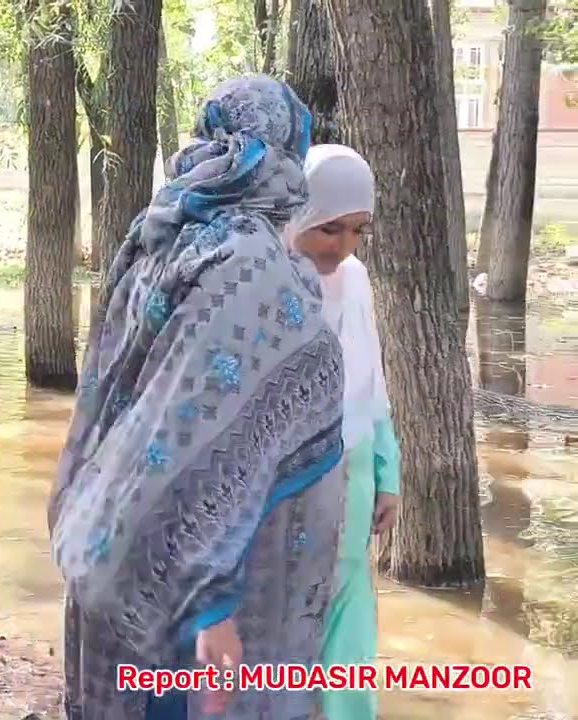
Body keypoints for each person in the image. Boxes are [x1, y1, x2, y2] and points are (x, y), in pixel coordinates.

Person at [47, 75, 347, 720]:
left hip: (118, 546)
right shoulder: (252, 267)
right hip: (201, 606)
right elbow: (208, 460)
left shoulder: (165, 235)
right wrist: (213, 611)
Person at [286, 144, 400, 720]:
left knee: (349, 610)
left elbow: (370, 380)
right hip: (283, 489)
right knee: (282, 618)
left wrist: (388, 473)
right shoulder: (264, 283)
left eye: (359, 230)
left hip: (351, 474)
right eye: (330, 228)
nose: (345, 246)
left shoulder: (354, 280)